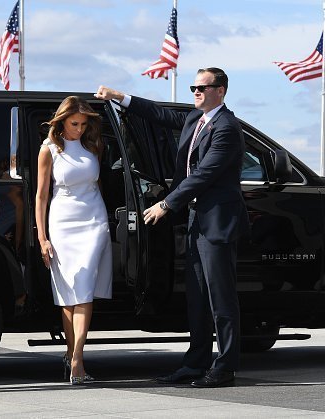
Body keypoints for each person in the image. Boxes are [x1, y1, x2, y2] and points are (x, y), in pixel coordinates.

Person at [96, 67, 250, 388]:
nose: (195, 91)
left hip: (218, 223)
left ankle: (226, 366)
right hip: (197, 221)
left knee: (220, 299)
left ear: (220, 91)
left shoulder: (226, 127)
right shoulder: (197, 120)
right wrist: (119, 97)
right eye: (193, 86)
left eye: (202, 87)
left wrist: (165, 205)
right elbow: (159, 113)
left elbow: (204, 174)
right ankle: (195, 363)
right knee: (197, 297)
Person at [35, 96, 112, 385]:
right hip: (62, 222)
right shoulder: (49, 149)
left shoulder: (94, 145)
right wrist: (42, 237)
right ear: (62, 121)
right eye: (74, 124)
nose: (79, 129)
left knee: (84, 290)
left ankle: (77, 359)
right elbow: (41, 196)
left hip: (93, 220)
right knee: (68, 296)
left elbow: (99, 183)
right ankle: (72, 354)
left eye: (83, 124)